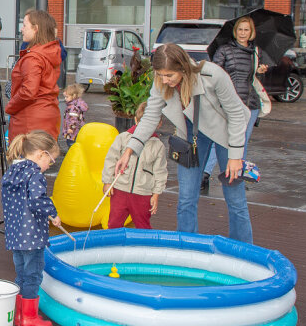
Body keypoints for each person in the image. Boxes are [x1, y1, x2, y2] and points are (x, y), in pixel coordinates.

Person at [115, 43, 253, 243]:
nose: (164, 80)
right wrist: (129, 151)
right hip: (191, 134)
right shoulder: (161, 82)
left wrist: (235, 156)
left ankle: (244, 251)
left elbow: (236, 115)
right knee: (186, 197)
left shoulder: (213, 75)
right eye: (160, 75)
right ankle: (187, 248)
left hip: (227, 134)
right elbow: (150, 117)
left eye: (169, 75)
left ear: (182, 68)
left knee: (235, 197)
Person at [201, 16, 267, 193]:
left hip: (250, 103)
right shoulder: (224, 50)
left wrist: (259, 70)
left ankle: (236, 176)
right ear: (235, 31)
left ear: (251, 32)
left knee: (242, 142)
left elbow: (251, 79)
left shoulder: (255, 52)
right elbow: (214, 73)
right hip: (229, 102)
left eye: (246, 30)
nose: (243, 33)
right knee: (220, 139)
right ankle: (205, 175)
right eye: (240, 29)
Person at [1, 130, 60, 326]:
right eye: (50, 161)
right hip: (32, 236)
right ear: (41, 154)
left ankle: (18, 313)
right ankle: (29, 317)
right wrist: (52, 212)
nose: (49, 166)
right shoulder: (34, 175)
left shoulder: (12, 171)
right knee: (33, 275)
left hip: (15, 235)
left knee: (21, 274)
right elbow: (37, 200)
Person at [102, 102, 167, 229]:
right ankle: (113, 247)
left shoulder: (158, 146)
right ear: (136, 120)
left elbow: (160, 171)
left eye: (151, 124)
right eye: (143, 123)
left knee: (143, 225)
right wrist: (108, 182)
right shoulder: (123, 138)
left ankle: (144, 248)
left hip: (143, 193)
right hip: (120, 189)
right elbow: (111, 160)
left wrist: (156, 194)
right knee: (114, 223)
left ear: (159, 124)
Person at [5, 9, 61, 142]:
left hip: (30, 119)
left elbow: (29, 91)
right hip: (48, 114)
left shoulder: (33, 58)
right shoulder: (49, 52)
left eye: (24, 25)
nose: (22, 29)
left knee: (25, 160)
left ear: (36, 28)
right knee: (42, 159)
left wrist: (11, 106)